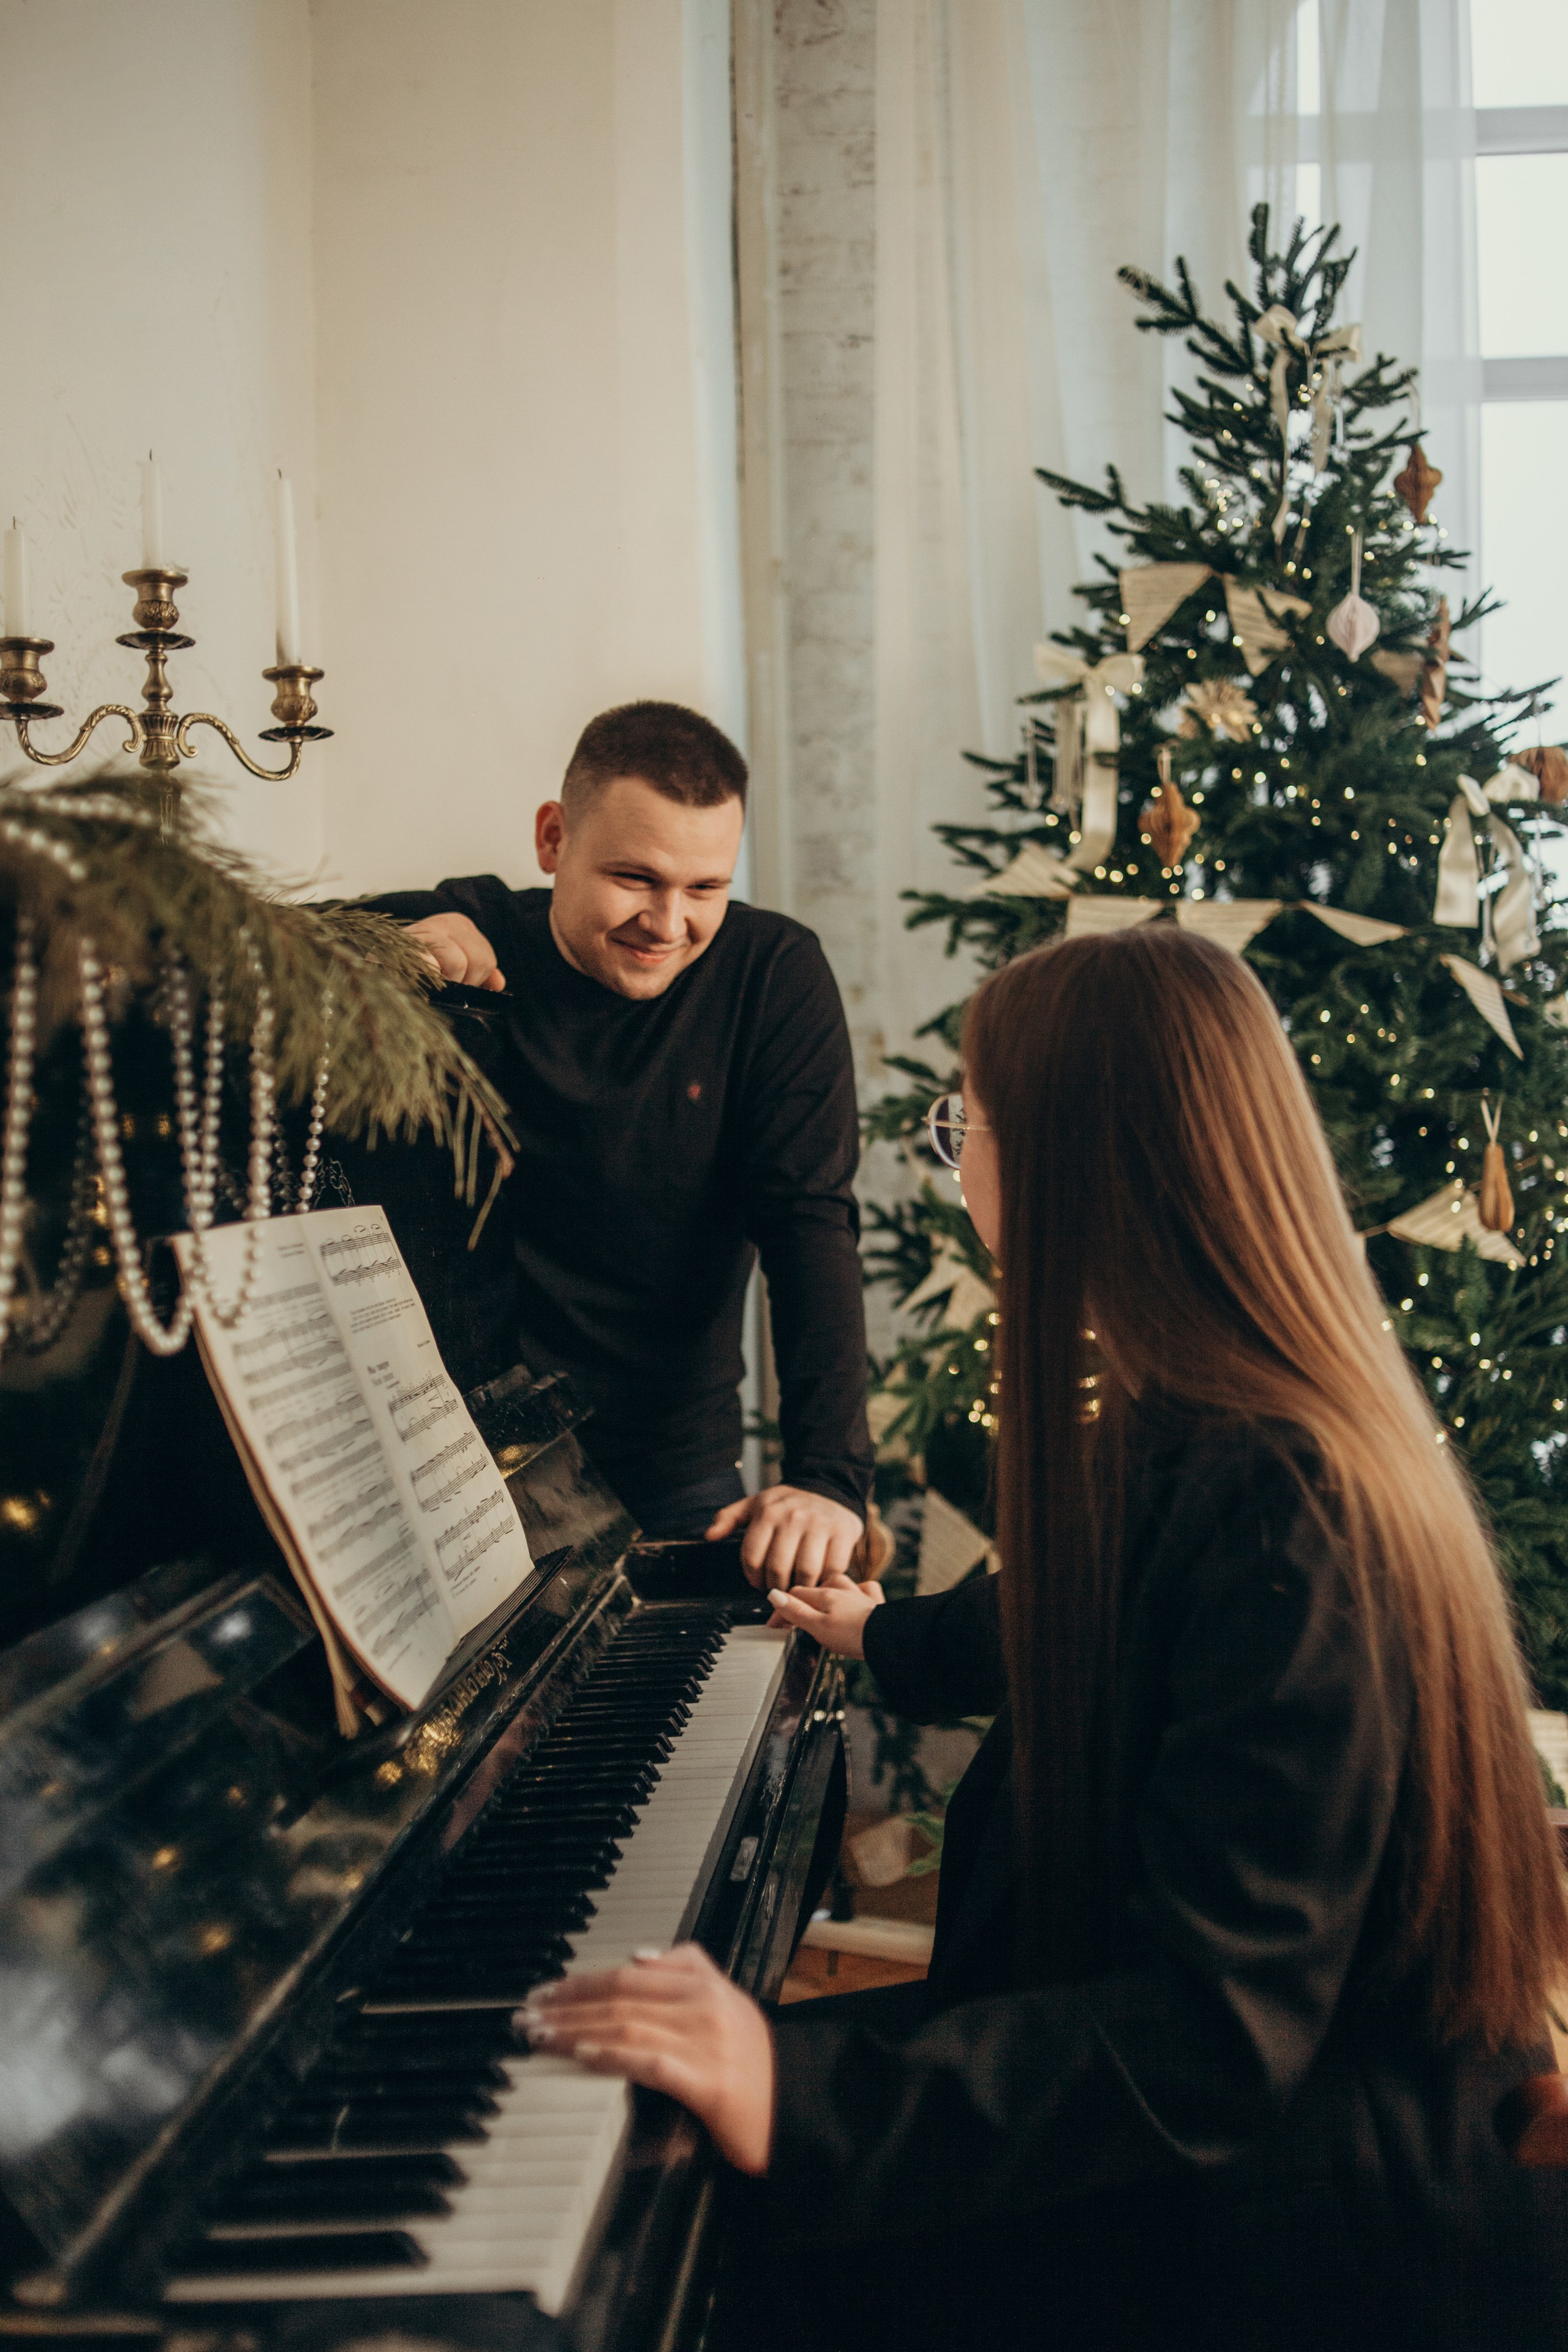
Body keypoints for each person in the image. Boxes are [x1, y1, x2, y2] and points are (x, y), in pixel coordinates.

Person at [521, 925, 1568, 2350]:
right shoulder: (1209, 1425)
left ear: (1085, 1160)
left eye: (971, 1126)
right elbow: (1085, 1617)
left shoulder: (1287, 1502)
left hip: (1295, 2224)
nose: (958, 1168)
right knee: (639, 2124)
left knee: (700, 2238)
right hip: (1214, 2127)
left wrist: (790, 2092)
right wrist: (882, 1634)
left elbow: (1212, 2038)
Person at [372, 701, 872, 1589]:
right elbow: (255, 943)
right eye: (636, 878)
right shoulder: (476, 934)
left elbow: (810, 1226)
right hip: (464, 1476)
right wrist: (378, 946)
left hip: (673, 1474)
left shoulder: (774, 975)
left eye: (706, 888)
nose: (670, 922)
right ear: (553, 838)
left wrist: (830, 1479)